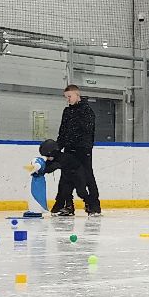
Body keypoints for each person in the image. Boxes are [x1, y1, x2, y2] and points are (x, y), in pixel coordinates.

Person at [51, 85, 101, 217]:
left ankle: (94, 206)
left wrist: (81, 145)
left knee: (88, 177)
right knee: (65, 178)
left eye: (69, 96)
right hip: (69, 150)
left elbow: (87, 131)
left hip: (83, 150)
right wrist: (56, 150)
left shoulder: (86, 111)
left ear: (77, 95)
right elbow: (62, 133)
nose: (68, 100)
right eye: (66, 97)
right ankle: (67, 206)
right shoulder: (67, 112)